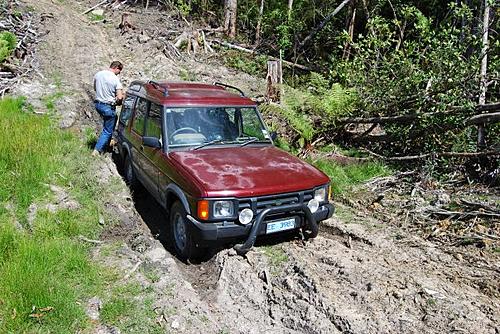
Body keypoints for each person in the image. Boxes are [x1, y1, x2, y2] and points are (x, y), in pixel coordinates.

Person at [92, 61, 124, 155]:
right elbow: (120, 97)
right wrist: (118, 102)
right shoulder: (115, 79)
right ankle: (96, 150)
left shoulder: (98, 74)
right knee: (107, 130)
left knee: (113, 120)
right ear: (117, 68)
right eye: (119, 71)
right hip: (108, 106)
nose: (119, 73)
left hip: (98, 104)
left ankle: (106, 145)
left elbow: (95, 88)